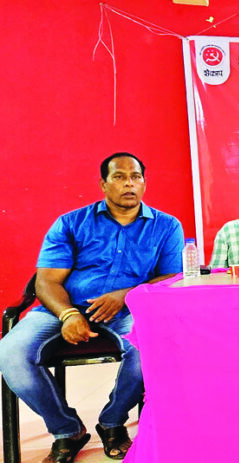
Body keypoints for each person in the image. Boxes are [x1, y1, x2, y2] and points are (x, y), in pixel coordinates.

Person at [0, 153, 184, 462]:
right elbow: (46, 281)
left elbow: (173, 276)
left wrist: (126, 295)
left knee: (150, 348)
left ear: (144, 182)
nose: (129, 183)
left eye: (136, 177)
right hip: (63, 308)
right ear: (103, 184)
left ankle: (112, 422)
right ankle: (67, 429)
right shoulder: (71, 223)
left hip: (129, 311)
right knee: (10, 353)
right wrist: (68, 314)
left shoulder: (166, 226)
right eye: (119, 177)